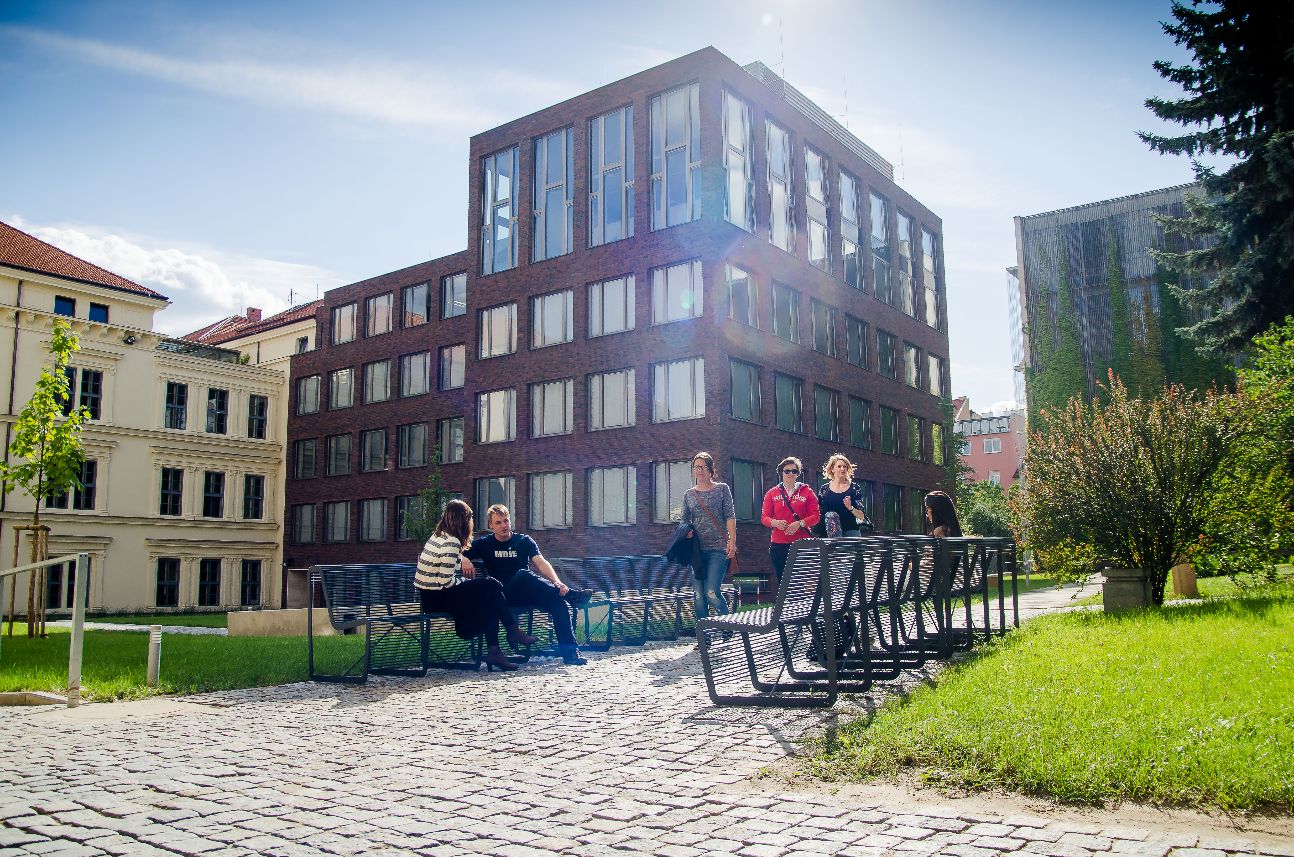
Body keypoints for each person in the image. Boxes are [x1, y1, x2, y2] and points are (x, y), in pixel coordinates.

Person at [414, 499, 539, 673]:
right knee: (490, 586)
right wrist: (468, 583)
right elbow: (446, 582)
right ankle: (510, 632)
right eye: (471, 518)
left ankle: (498, 647)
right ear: (463, 520)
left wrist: (468, 577)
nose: (472, 522)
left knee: (489, 593)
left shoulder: (439, 536)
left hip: (430, 596)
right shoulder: (451, 543)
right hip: (437, 598)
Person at [465, 504, 593, 666]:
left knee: (558, 604)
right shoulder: (484, 544)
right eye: (498, 523)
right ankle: (571, 596)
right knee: (523, 575)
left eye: (506, 521)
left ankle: (571, 654)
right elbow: (458, 553)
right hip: (502, 597)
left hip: (526, 594)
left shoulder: (523, 541)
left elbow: (541, 563)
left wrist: (558, 582)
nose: (504, 525)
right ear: (490, 525)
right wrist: (464, 559)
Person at [680, 452, 737, 629]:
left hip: (718, 550)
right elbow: (684, 520)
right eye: (696, 467)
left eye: (703, 467)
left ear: (711, 470)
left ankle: (728, 626)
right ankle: (704, 637)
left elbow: (730, 516)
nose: (699, 470)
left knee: (711, 592)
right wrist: (686, 532)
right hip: (696, 551)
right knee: (698, 595)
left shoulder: (722, 489)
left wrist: (732, 542)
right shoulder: (689, 494)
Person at [761, 456, 821, 581]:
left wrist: (799, 523)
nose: (790, 474)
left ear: (798, 474)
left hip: (802, 544)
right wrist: (775, 522)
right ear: (781, 472)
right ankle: (785, 602)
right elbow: (764, 518)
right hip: (779, 545)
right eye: (787, 471)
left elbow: (816, 517)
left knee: (801, 582)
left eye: (794, 471)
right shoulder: (772, 493)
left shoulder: (807, 492)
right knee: (783, 583)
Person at [817, 453, 873, 538]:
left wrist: (850, 508)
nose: (842, 469)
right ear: (832, 469)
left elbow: (861, 515)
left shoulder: (854, 488)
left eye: (845, 466)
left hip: (850, 531)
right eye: (839, 466)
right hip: (829, 533)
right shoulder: (824, 489)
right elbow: (819, 512)